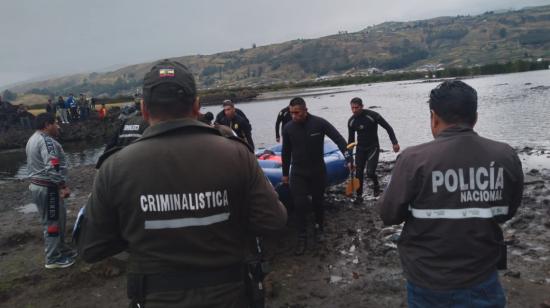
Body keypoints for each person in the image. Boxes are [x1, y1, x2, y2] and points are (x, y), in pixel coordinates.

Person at [76, 59, 287, 307]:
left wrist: (138, 230)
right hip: (231, 294)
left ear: (144, 109)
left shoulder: (115, 168)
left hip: (156, 297)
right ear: (197, 106)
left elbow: (90, 248)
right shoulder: (237, 155)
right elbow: (274, 220)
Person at [376, 80, 524, 307]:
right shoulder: (505, 156)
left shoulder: (413, 159)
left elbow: (389, 214)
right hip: (482, 276)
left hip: (427, 280)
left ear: (433, 117)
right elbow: (506, 212)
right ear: (474, 118)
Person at [281, 97, 351, 255]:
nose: (293, 116)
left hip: (317, 171)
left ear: (305, 110)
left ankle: (319, 228)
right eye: (291, 113)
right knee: (299, 204)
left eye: (296, 113)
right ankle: (302, 236)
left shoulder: (319, 123)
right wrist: (285, 174)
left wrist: (348, 157)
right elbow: (285, 153)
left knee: (318, 202)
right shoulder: (288, 128)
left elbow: (339, 139)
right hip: (298, 172)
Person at [26, 113, 77, 269]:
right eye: (56, 123)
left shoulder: (33, 138)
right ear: (47, 125)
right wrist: (63, 186)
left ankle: (61, 249)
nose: (58, 126)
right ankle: (53, 258)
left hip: (40, 186)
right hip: (48, 188)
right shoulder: (46, 141)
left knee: (57, 219)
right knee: (52, 222)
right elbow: (52, 168)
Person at [347, 97, 400, 202]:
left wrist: (394, 142)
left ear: (362, 106)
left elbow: (388, 127)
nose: (354, 110)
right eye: (352, 108)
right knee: (358, 173)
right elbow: (351, 141)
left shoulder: (372, 116)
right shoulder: (351, 121)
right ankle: (359, 196)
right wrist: (349, 159)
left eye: (356, 108)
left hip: (373, 147)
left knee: (370, 172)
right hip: (360, 148)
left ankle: (376, 184)